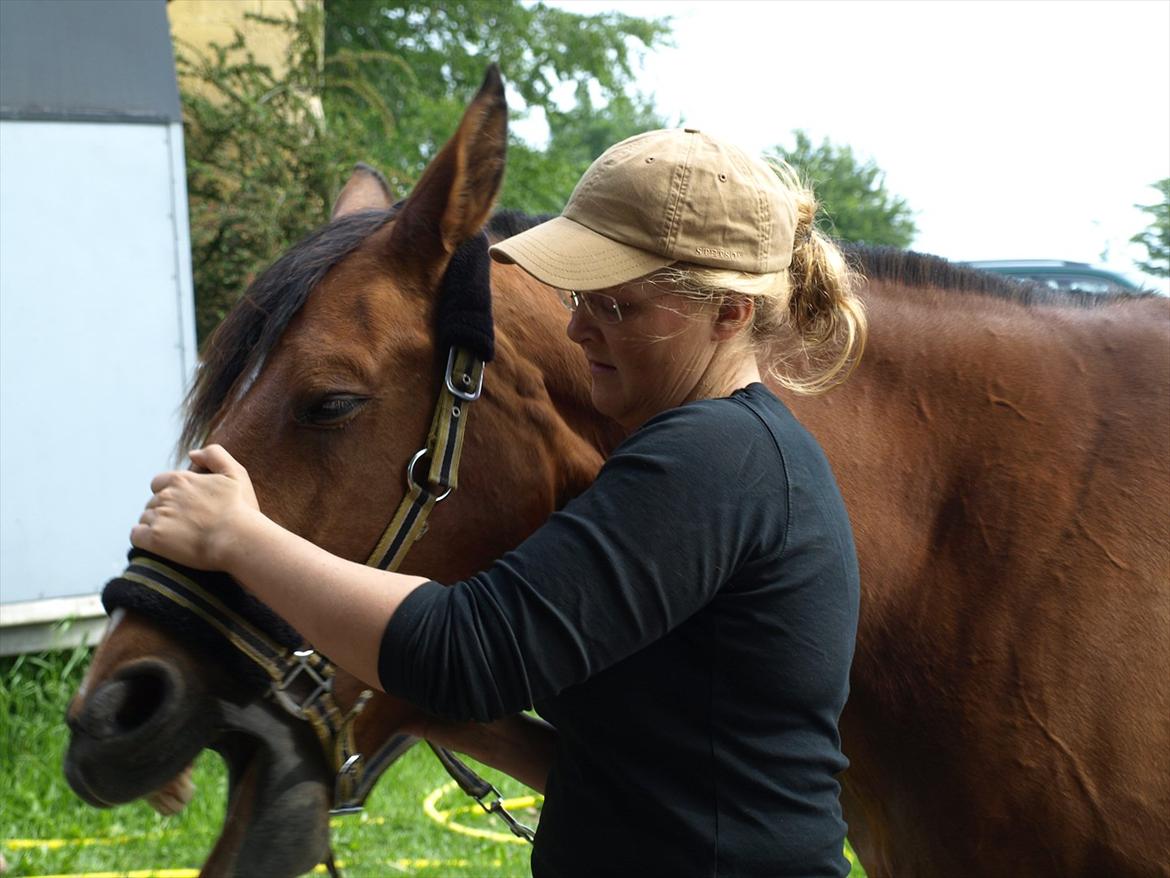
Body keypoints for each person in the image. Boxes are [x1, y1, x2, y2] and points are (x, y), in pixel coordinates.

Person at [132, 127, 867, 877]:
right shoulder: (721, 449)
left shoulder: (715, 455)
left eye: (617, 306)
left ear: (731, 314)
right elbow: (648, 778)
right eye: (580, 297)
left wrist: (240, 539)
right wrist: (429, 713)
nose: (578, 327)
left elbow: (467, 653)